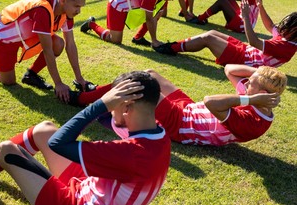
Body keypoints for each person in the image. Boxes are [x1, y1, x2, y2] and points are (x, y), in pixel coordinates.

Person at [0, 71, 172, 205]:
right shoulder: (157, 134)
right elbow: (110, 124)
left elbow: (59, 143)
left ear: (128, 106)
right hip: (91, 191)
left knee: (6, 150)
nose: (110, 113)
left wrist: (100, 104)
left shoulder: (131, 154)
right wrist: (108, 105)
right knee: (43, 130)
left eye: (114, 106)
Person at [63, 65, 287, 146]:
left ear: (262, 94)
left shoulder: (255, 121)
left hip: (183, 125)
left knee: (140, 83)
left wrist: (250, 98)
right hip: (188, 109)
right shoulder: (254, 97)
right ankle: (92, 94)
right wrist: (259, 73)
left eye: (251, 85)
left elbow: (210, 102)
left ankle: (83, 100)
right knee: (148, 74)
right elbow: (229, 69)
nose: (245, 85)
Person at [0, 0, 96, 103]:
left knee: (58, 44)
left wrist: (79, 78)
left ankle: (31, 75)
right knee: (9, 82)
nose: (79, 11)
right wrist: (58, 84)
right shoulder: (43, 10)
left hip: (25, 36)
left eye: (80, 7)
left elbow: (70, 44)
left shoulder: (66, 13)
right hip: (2, 36)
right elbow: (47, 50)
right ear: (63, 0)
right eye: (77, 6)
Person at [152, 0, 297, 68]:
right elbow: (270, 25)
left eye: (288, 26)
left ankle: (169, 48)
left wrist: (246, 17)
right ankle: (172, 46)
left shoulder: (286, 47)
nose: (283, 27)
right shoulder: (288, 38)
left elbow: (254, 41)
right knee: (214, 33)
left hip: (246, 62)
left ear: (294, 30)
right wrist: (260, 5)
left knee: (208, 37)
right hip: (246, 53)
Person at [80, 0, 182, 47]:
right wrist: (155, 41)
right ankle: (91, 24)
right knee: (115, 40)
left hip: (127, 8)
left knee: (157, 13)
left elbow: (154, 18)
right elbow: (149, 19)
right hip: (117, 5)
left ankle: (138, 38)